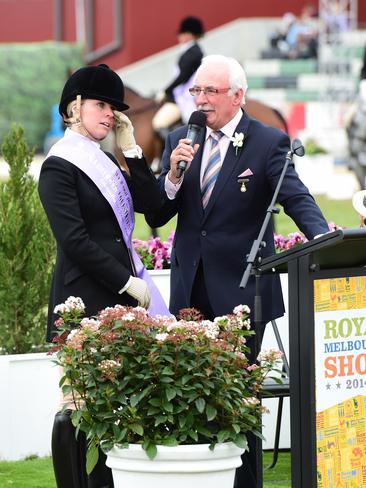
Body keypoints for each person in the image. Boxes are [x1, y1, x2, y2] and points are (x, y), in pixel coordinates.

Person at [146, 54, 329, 488]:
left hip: (245, 292)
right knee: (193, 390)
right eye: (196, 91)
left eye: (210, 91)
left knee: (237, 397)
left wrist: (320, 238)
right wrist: (171, 176)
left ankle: (246, 483)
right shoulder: (179, 139)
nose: (201, 100)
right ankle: (202, 477)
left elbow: (296, 197)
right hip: (191, 287)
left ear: (237, 95)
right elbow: (159, 209)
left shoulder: (267, 141)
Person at [38, 63, 169, 488]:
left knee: (127, 409)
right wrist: (125, 281)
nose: (110, 114)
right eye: (100, 105)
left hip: (123, 300)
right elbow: (75, 240)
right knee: (77, 409)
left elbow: (156, 209)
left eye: (113, 107)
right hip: (86, 300)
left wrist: (131, 149)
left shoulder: (108, 159)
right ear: (73, 108)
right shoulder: (60, 166)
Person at [152, 16, 204, 139]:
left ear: (189, 34)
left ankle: (169, 152)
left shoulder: (193, 53)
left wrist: (166, 91)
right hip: (182, 95)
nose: (179, 36)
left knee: (158, 123)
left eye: (182, 33)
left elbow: (182, 77)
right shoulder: (190, 51)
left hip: (184, 98)